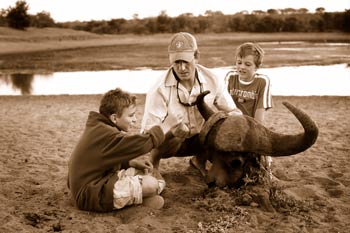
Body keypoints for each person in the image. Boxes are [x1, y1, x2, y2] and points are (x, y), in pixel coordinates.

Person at [141, 32, 242, 177]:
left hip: (200, 140)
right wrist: (170, 132)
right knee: (174, 131)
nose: (182, 68)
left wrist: (232, 126)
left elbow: (233, 111)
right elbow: (147, 133)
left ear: (196, 56)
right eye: (177, 62)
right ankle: (154, 164)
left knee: (219, 126)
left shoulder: (213, 79)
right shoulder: (158, 88)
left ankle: (199, 161)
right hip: (170, 143)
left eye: (186, 61)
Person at [67, 88, 183, 212]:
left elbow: (105, 158)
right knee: (152, 183)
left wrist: (130, 163)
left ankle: (138, 196)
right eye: (131, 115)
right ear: (114, 118)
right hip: (89, 194)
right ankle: (142, 198)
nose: (135, 119)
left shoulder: (99, 128)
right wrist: (166, 125)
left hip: (96, 183)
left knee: (145, 171)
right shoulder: (107, 134)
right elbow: (142, 144)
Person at [225, 42, 273, 174]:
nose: (241, 67)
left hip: (253, 126)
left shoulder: (262, 81)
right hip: (232, 124)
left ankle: (266, 165)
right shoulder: (231, 77)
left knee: (261, 163)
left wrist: (257, 137)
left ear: (257, 66)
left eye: (247, 64)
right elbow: (223, 105)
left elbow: (260, 114)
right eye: (239, 62)